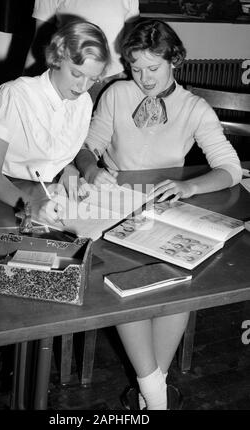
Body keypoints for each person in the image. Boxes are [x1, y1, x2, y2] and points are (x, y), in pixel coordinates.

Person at [75, 19, 242, 410]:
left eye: (154, 68)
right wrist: (90, 168)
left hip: (166, 214)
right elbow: (88, 145)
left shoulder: (193, 107)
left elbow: (229, 168)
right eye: (136, 68)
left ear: (175, 60)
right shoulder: (116, 94)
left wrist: (190, 187)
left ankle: (152, 390)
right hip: (114, 209)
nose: (145, 78)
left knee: (182, 284)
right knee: (120, 284)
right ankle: (156, 396)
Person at [0, 20, 111, 224]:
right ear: (56, 58)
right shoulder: (15, 94)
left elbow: (57, 148)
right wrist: (29, 206)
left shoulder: (83, 101)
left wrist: (69, 169)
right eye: (77, 73)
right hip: (4, 196)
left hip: (48, 194)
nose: (83, 86)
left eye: (93, 79)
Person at [25, 0, 140, 102]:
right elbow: (39, 39)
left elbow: (131, 43)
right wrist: (28, 84)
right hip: (69, 79)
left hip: (115, 78)